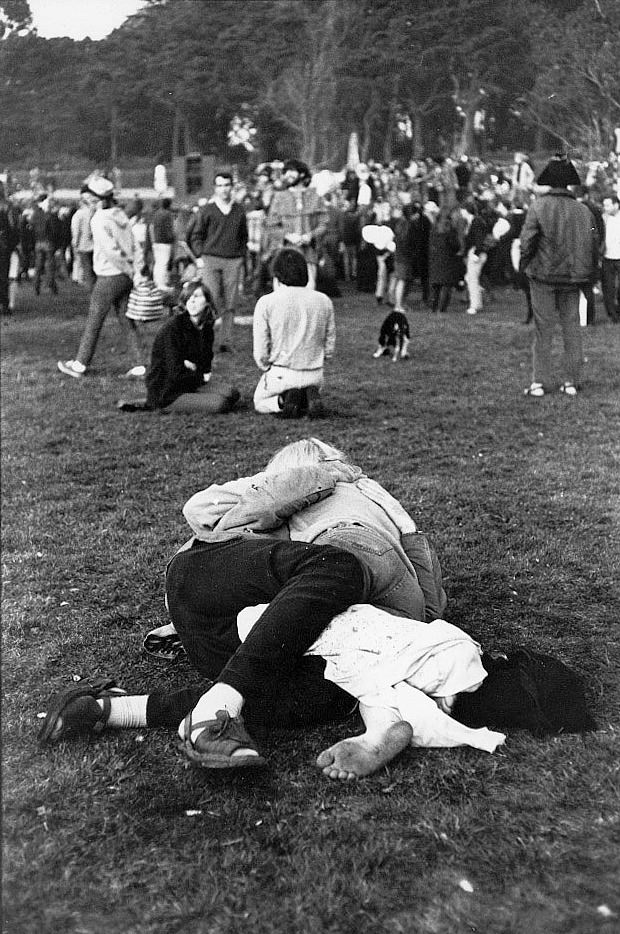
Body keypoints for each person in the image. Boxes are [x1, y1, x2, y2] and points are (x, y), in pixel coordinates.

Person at [183, 437, 447, 625]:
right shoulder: (372, 494)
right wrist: (407, 526)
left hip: (335, 551)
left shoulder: (295, 492)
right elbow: (431, 611)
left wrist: (278, 479)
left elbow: (198, 509)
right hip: (396, 581)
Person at [520, 155, 601, 397]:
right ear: (569, 184)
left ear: (549, 182)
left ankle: (540, 382)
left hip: (543, 276)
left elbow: (527, 242)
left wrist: (526, 265)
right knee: (571, 328)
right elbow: (593, 242)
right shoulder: (583, 211)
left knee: (543, 329)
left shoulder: (538, 207)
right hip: (573, 278)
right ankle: (571, 382)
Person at [57, 177, 142, 379]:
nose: (90, 205)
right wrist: (134, 270)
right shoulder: (120, 214)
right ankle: (140, 364)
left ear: (100, 200)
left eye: (91, 201)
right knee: (126, 319)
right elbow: (135, 246)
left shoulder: (98, 219)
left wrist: (127, 269)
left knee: (94, 320)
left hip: (109, 276)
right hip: (125, 276)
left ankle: (80, 364)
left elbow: (110, 251)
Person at [117, 279, 239, 414]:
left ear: (207, 302)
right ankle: (155, 404)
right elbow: (175, 372)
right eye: (188, 297)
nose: (191, 301)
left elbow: (205, 365)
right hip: (168, 390)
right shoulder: (173, 328)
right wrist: (191, 368)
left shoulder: (206, 328)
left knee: (232, 393)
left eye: (197, 297)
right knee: (220, 403)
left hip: (191, 382)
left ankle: (194, 398)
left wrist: (190, 366)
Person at [252, 248, 335, 418]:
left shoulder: (266, 302)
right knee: (307, 384)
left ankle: (283, 400)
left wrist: (266, 366)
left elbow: (261, 349)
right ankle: (308, 395)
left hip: (282, 372)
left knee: (259, 402)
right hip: (314, 372)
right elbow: (329, 344)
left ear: (276, 275)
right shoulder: (324, 301)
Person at [188, 171, 248, 353]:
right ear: (215, 188)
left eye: (227, 185)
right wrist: (199, 257)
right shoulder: (207, 210)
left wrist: (240, 256)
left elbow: (243, 236)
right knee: (209, 300)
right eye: (220, 186)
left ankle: (226, 341)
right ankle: (204, 340)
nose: (224, 189)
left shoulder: (239, 210)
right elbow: (195, 235)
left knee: (230, 302)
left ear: (232, 187)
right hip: (210, 260)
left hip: (233, 260)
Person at [264, 159, 328, 289]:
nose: (287, 175)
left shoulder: (316, 197)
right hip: (284, 253)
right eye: (285, 172)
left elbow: (324, 224)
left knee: (308, 293)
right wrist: (287, 235)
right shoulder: (279, 197)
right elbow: (271, 226)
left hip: (308, 255)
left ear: (302, 174)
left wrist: (310, 236)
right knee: (282, 294)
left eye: (291, 171)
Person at [428, 206, 463, 314]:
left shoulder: (434, 229)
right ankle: (442, 308)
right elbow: (455, 245)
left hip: (435, 259)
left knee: (436, 286)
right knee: (446, 286)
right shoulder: (450, 230)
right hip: (448, 259)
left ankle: (434, 307)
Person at [70, 185, 96, 292]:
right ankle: (94, 285)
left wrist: (75, 243)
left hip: (83, 244)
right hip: (93, 243)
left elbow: (76, 231)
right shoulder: (93, 213)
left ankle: (90, 288)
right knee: (93, 267)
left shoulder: (78, 214)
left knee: (86, 268)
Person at [601, 195, 620, 323]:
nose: (605, 208)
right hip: (607, 258)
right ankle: (612, 315)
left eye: (608, 205)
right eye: (604, 205)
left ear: (616, 205)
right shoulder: (603, 218)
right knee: (608, 287)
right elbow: (594, 229)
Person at [150, 197, 175, 293]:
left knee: (158, 263)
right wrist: (171, 237)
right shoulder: (168, 214)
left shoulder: (156, 214)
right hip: (165, 242)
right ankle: (162, 284)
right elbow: (169, 228)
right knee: (164, 263)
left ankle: (156, 282)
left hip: (156, 241)